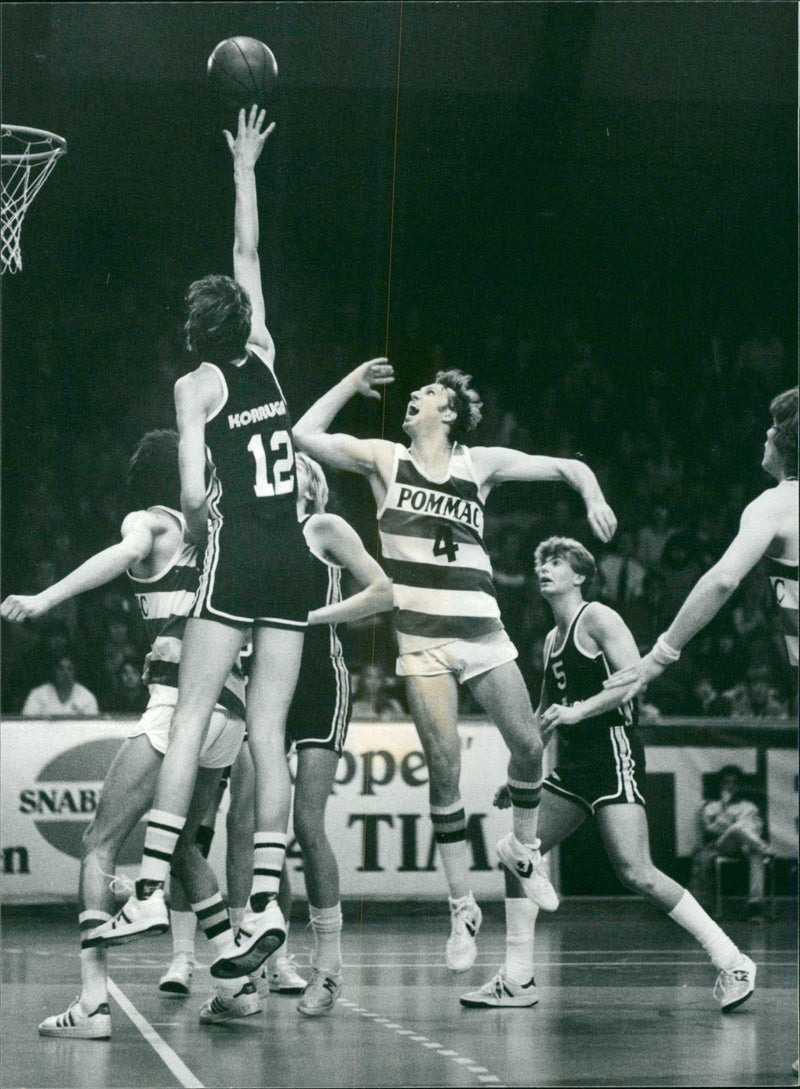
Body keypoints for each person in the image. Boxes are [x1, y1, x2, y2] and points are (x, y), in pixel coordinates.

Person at [293, 360, 617, 972]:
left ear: (451, 413)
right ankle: (461, 905)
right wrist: (348, 385)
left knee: (527, 748)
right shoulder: (385, 459)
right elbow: (304, 433)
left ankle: (523, 849)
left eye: (428, 393)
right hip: (421, 640)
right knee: (444, 769)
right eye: (414, 393)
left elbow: (567, 466)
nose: (414, 396)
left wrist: (591, 492)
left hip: (482, 632)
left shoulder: (479, 463)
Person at [91, 106, 317, 980]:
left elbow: (189, 492)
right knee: (266, 728)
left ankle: (150, 884)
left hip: (239, 549)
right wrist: (246, 169)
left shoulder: (195, 385)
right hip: (294, 555)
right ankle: (264, 898)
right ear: (244, 322)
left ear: (194, 333)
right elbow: (248, 254)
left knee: (189, 714)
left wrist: (212, 494)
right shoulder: (264, 352)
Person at [1, 430, 254, 1038]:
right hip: (232, 713)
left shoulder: (152, 524)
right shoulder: (220, 534)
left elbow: (121, 553)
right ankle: (234, 986)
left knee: (98, 841)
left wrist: (45, 598)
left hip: (180, 705)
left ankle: (91, 1004)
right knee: (188, 850)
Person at [460, 537, 756, 1013]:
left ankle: (733, 960)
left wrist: (580, 711)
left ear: (579, 575)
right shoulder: (553, 640)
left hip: (613, 752)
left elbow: (633, 681)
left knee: (635, 871)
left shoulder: (597, 618)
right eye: (540, 562)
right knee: (519, 856)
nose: (544, 569)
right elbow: (539, 716)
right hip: (573, 764)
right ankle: (517, 980)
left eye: (555, 562)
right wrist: (520, 774)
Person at [605, 387, 798, 706]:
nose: (767, 432)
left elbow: (722, 580)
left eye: (776, 426)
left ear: (790, 441)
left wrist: (659, 656)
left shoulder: (775, 504)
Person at [689, 764, 773, 917]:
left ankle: (755, 904)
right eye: (727, 782)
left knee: (755, 853)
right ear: (720, 785)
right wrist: (725, 808)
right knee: (739, 828)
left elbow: (756, 829)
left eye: (734, 783)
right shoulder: (712, 807)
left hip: (746, 847)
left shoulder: (749, 806)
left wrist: (737, 828)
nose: (731, 786)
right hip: (723, 845)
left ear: (739, 786)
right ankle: (766, 849)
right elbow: (712, 830)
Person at [20, 653, 99, 717]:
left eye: (69, 669)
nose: (65, 673)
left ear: (75, 672)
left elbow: (91, 728)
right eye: (61, 669)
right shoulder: (38, 695)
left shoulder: (87, 697)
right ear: (54, 672)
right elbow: (26, 725)